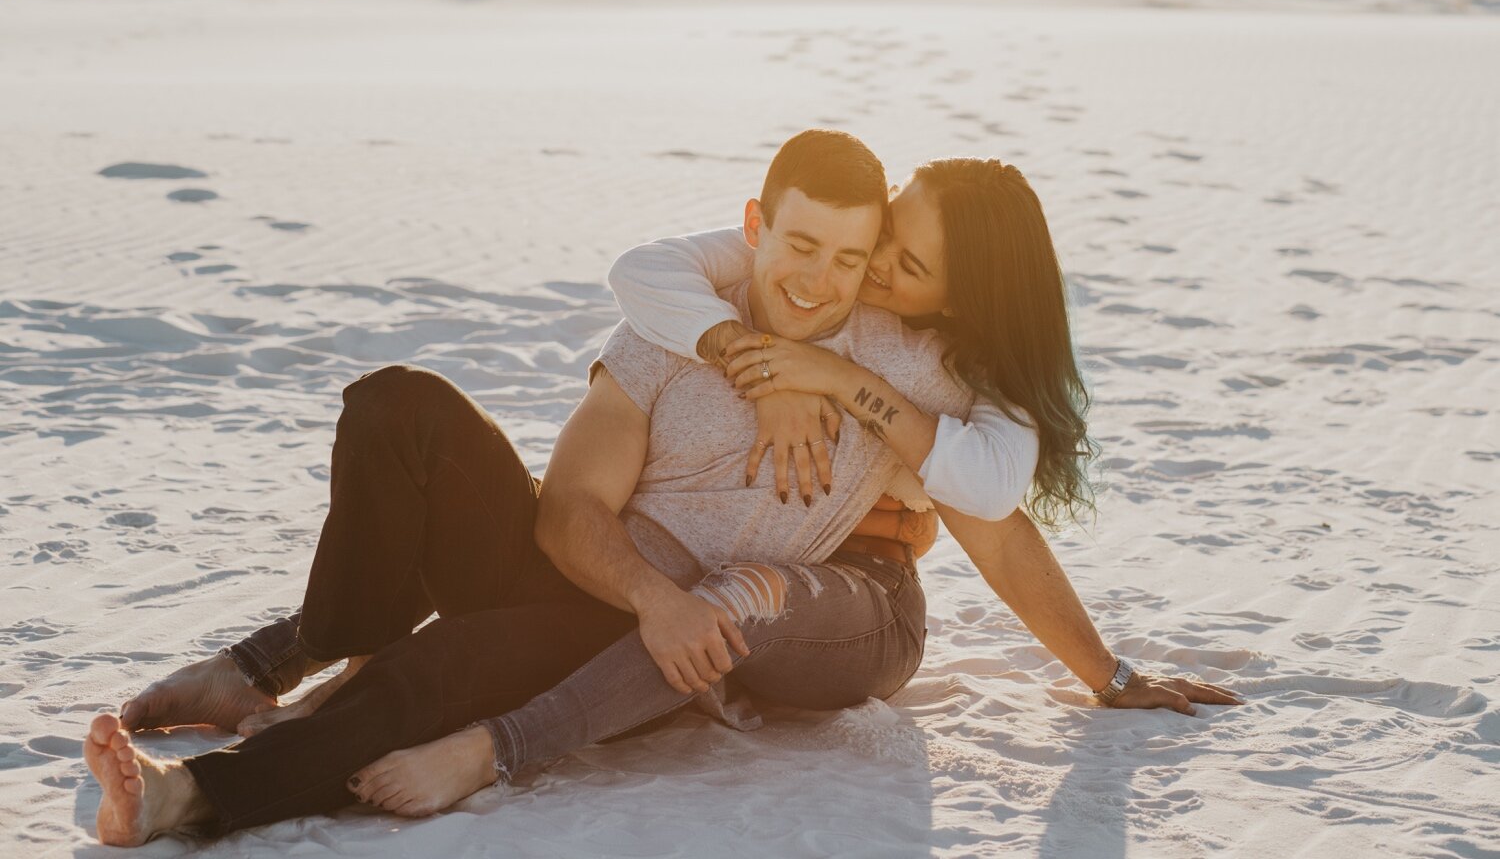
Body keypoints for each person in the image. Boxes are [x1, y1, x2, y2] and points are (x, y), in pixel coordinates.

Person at [84, 129, 993, 844]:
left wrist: (1102, 672)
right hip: (602, 575)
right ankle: (338, 662)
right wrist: (651, 593)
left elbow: (1007, 473)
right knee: (397, 404)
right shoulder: (674, 327)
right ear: (755, 227)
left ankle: (190, 799)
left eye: (848, 258)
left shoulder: (894, 362)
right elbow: (565, 514)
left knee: (441, 669)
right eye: (800, 244)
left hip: (630, 651)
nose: (819, 280)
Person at [330, 155, 1240, 817]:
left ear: (959, 300)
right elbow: (648, 271)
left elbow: (997, 518)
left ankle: (494, 748)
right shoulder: (832, 268)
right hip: (738, 560)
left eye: (904, 265)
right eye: (887, 228)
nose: (871, 263)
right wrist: (760, 363)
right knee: (590, 562)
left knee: (716, 601)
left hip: (847, 597)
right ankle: (303, 662)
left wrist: (1107, 675)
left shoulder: (946, 372)